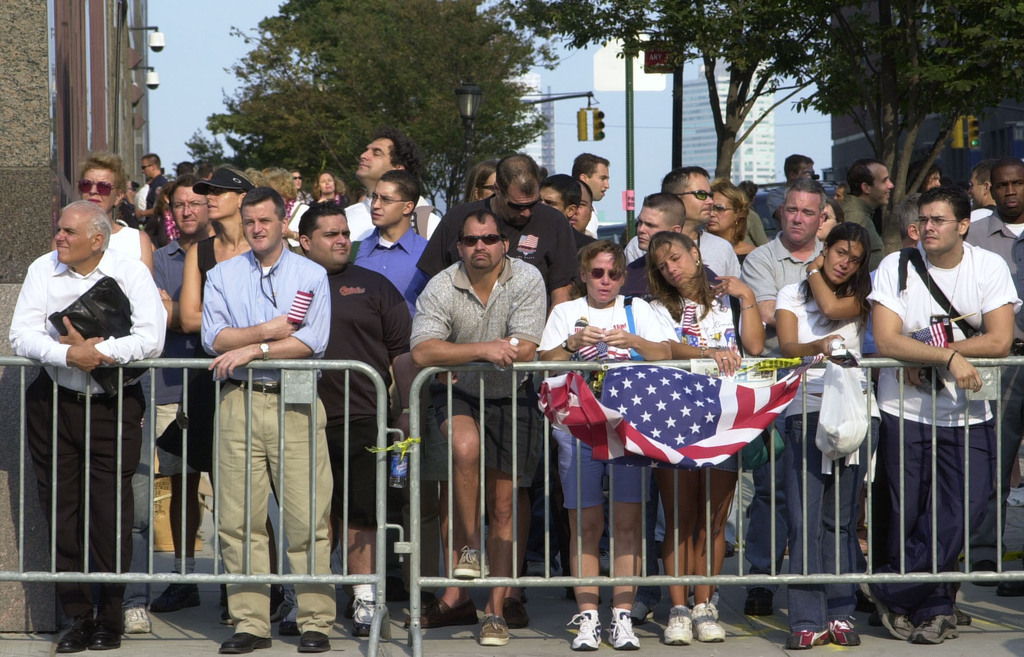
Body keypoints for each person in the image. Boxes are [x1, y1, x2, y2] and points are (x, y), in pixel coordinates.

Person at [864, 186, 1019, 645]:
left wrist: (931, 352)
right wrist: (948, 359)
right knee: (908, 513)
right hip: (903, 411)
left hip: (969, 413)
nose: (928, 228)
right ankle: (932, 606)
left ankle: (892, 588)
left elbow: (998, 341)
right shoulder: (897, 265)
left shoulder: (987, 266)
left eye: (939, 220)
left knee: (962, 511)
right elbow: (887, 340)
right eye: (924, 220)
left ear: (963, 225)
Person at [10, 201, 166, 652]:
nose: (59, 237)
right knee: (61, 510)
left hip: (112, 405)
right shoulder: (44, 268)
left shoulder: (129, 270)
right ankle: (77, 617)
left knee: (110, 513)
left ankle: (110, 620)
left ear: (97, 239)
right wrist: (66, 354)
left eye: (68, 231)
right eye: (58, 229)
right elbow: (21, 334)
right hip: (54, 402)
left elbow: (151, 337)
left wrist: (97, 352)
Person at [202, 187, 335, 654]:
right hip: (238, 400)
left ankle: (315, 619)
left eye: (266, 220)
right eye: (250, 220)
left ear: (284, 224)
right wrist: (263, 334)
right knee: (238, 521)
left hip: (295, 399)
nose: (257, 228)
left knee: (307, 517)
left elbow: (310, 342)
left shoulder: (311, 273)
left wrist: (251, 349)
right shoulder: (221, 275)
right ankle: (250, 624)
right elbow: (215, 337)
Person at [410, 208, 546, 647]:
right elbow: (423, 351)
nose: (480, 247)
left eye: (488, 239)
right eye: (471, 241)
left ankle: (495, 612)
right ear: (459, 246)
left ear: (504, 243)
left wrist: (462, 351)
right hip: (461, 393)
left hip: (514, 394)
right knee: (464, 450)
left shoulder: (526, 279)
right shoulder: (441, 284)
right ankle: (469, 549)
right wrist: (485, 349)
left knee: (504, 509)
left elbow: (524, 347)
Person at [538, 240, 673, 651]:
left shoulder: (639, 309)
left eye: (614, 274)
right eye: (597, 273)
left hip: (627, 429)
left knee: (629, 524)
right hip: (578, 429)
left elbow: (666, 352)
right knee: (585, 525)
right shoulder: (564, 312)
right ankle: (588, 617)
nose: (606, 281)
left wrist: (634, 342)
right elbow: (544, 361)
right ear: (583, 274)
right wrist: (571, 346)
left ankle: (622, 617)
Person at [298, 201, 412, 637]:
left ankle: (364, 597)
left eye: (344, 232)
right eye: (330, 234)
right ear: (306, 242)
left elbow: (402, 354)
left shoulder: (375, 286)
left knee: (363, 513)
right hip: (301, 415)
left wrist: (404, 408)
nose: (342, 240)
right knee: (311, 515)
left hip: (364, 415)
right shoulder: (291, 283)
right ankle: (309, 599)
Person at [646, 231, 765, 645]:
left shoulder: (729, 299)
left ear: (696, 254)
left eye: (676, 257)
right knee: (679, 518)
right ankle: (678, 609)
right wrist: (704, 354)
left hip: (725, 417)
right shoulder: (658, 306)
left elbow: (753, 344)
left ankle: (705, 605)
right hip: (676, 418)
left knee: (714, 520)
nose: (671, 268)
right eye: (663, 265)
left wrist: (746, 294)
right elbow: (661, 348)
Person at [775, 222, 877, 649]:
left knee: (840, 521)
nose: (845, 263)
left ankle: (839, 613)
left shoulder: (862, 296)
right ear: (826, 248)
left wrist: (816, 268)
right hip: (806, 410)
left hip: (854, 416)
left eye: (854, 258)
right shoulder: (789, 294)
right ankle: (805, 619)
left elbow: (835, 310)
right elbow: (786, 344)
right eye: (839, 253)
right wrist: (816, 347)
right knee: (804, 521)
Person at [739, 177, 826, 617]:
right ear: (781, 212)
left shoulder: (837, 255)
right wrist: (825, 319)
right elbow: (770, 316)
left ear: (821, 217)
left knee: (827, 491)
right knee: (772, 488)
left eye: (808, 212)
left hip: (828, 387)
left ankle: (828, 578)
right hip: (774, 386)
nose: (798, 218)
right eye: (792, 209)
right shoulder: (760, 258)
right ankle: (762, 578)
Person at [148, 175, 214, 614]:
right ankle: (184, 574)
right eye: (179, 205)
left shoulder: (232, 252)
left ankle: (241, 580)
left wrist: (183, 312)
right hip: (171, 386)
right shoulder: (156, 259)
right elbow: (155, 316)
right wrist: (179, 315)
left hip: (220, 384)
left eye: (195, 203)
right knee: (179, 483)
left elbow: (207, 320)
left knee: (235, 489)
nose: (187, 211)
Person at [966, 158, 1024, 595]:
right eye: (1002, 185)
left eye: (1019, 183)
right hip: (998, 362)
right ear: (992, 188)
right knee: (993, 459)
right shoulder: (977, 235)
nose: (1011, 192)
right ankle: (986, 552)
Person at [354, 169, 431, 318]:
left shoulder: (428, 254)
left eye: (386, 200)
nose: (376, 205)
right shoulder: (354, 251)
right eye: (374, 197)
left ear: (407, 207)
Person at [346, 127, 435, 242]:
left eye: (376, 153)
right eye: (367, 150)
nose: (363, 155)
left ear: (398, 169)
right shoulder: (345, 217)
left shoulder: (426, 223)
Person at [78, 152, 155, 274]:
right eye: (86, 185)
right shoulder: (64, 238)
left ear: (118, 196)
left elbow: (146, 290)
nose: (93, 191)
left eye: (103, 187)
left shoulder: (137, 240)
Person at [843, 158, 893, 269]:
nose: (891, 185)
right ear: (866, 188)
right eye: (884, 181)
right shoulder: (855, 217)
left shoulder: (861, 213)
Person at [541, 173, 594, 250]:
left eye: (550, 203)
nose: (541, 206)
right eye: (538, 201)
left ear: (570, 210)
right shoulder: (523, 237)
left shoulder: (590, 250)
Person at [707, 179, 755, 261]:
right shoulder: (696, 251)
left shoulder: (755, 255)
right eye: (708, 208)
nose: (711, 214)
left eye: (719, 208)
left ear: (738, 213)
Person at [765, 154, 815, 229]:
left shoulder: (816, 193)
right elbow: (786, 216)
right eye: (806, 173)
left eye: (812, 173)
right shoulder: (777, 194)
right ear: (792, 174)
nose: (810, 177)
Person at [137, 152, 168, 223]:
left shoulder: (160, 184)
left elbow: (162, 208)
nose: (142, 171)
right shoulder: (154, 183)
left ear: (153, 167)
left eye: (144, 167)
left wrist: (141, 213)